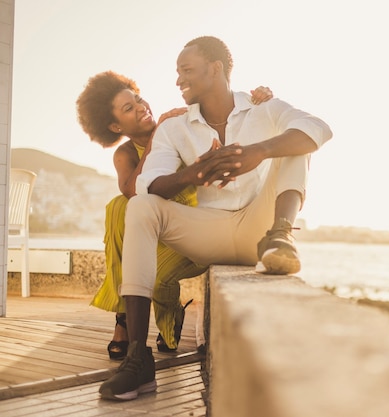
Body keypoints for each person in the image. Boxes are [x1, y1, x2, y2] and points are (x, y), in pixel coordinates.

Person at [98, 35, 332, 401]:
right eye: (177, 73)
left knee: (297, 142)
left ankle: (282, 235)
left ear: (215, 68)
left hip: (259, 228)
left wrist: (259, 152)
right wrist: (193, 174)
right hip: (208, 232)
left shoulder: (263, 108)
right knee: (139, 205)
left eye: (186, 70)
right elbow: (146, 185)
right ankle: (137, 359)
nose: (178, 81)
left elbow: (319, 128)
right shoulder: (174, 128)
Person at [75, 71, 273, 359]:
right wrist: (154, 139)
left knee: (151, 268)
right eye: (129, 108)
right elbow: (134, 192)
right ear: (115, 125)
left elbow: (220, 116)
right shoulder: (126, 154)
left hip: (199, 229)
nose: (142, 107)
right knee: (120, 206)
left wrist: (260, 102)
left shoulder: (177, 126)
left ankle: (147, 321)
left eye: (138, 99)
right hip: (156, 235)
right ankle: (125, 319)